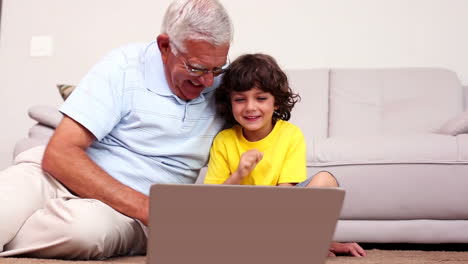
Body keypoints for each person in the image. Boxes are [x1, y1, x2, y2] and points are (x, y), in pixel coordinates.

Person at [0, 0, 233, 259]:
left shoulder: (230, 86)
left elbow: (268, 130)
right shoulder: (124, 65)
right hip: (55, 178)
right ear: (165, 47)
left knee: (85, 231)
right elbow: (60, 154)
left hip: (126, 215)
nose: (208, 80)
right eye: (196, 68)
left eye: (217, 68)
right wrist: (150, 208)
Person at [204, 53, 367, 257]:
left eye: (261, 98)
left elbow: (288, 200)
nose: (250, 107)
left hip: (281, 215)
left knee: (325, 179)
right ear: (230, 103)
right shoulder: (224, 140)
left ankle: (304, 240)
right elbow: (212, 204)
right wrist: (239, 174)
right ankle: (301, 243)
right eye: (240, 99)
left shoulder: (290, 134)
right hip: (242, 222)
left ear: (276, 103)